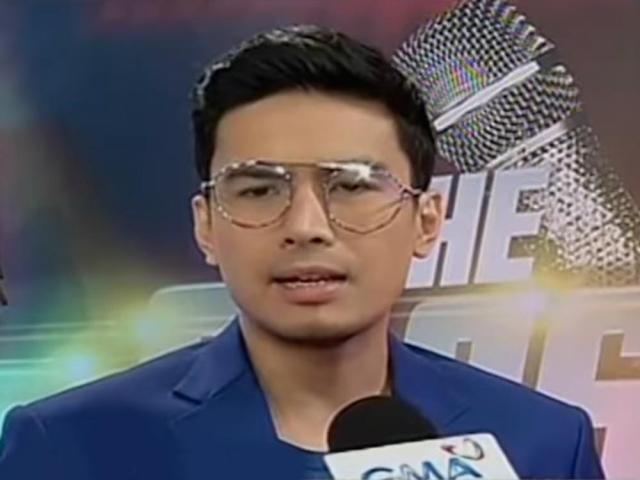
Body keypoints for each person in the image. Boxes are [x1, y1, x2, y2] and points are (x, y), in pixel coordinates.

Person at [0, 25, 604, 480]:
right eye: (260, 190)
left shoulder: (543, 443)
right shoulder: (67, 445)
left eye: (352, 186)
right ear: (206, 226)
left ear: (426, 222)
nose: (306, 227)